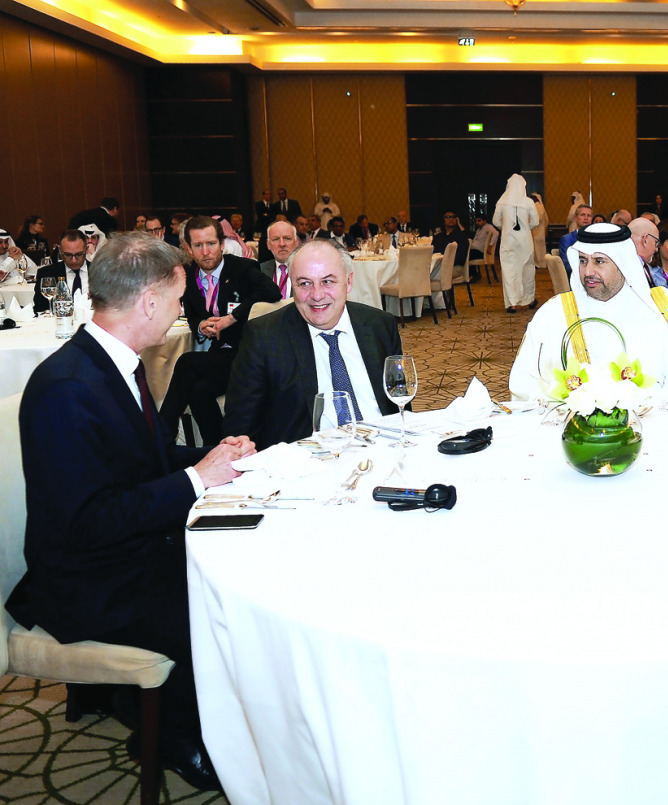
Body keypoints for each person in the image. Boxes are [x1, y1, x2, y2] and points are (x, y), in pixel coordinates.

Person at [8, 232, 256, 791]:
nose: (179, 310)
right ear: (147, 302)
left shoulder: (113, 362)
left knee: (236, 571)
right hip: (85, 579)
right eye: (175, 300)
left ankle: (173, 714)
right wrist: (197, 480)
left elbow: (142, 455)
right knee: (221, 606)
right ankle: (172, 734)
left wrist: (214, 459)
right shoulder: (67, 388)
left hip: (124, 553)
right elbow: (88, 522)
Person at [223, 240, 402, 449]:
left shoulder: (380, 325)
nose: (317, 295)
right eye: (305, 283)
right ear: (292, 285)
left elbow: (400, 401)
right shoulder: (264, 336)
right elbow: (240, 429)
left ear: (349, 281)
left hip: (384, 449)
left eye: (328, 281)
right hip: (311, 461)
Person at [508, 223, 668, 402]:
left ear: (623, 264)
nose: (587, 272)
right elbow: (523, 383)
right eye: (583, 261)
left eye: (599, 261)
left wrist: (642, 406)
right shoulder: (554, 313)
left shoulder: (660, 309)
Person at [159, 216, 281, 445]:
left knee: (186, 363)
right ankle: (215, 448)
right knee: (197, 390)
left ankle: (162, 432)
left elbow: (272, 293)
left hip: (247, 357)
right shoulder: (187, 275)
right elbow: (193, 314)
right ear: (188, 248)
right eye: (198, 245)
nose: (206, 251)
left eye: (211, 244)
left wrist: (232, 318)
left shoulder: (241, 269)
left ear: (222, 244)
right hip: (220, 356)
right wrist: (200, 325)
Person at [494, 174, 540, 313]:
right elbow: (536, 222)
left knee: (509, 270)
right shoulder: (529, 202)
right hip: (525, 241)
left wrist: (507, 229)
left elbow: (496, 222)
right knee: (527, 269)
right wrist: (525, 228)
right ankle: (530, 300)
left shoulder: (502, 201)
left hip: (508, 241)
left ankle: (512, 303)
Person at [32, 230, 88, 314]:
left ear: (86, 250)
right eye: (68, 255)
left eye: (79, 254)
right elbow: (40, 308)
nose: (74, 260)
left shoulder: (102, 272)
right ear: (60, 251)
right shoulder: (46, 273)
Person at [262, 220, 299, 299]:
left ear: (296, 243)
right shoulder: (260, 270)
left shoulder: (307, 270)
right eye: (276, 239)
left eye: (287, 238)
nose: (282, 244)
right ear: (268, 244)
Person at [531, 192, 549, 269]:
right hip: (535, 231)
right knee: (536, 248)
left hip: (538, 231)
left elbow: (539, 219)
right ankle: (537, 263)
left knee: (539, 249)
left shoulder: (539, 206)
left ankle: (540, 264)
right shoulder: (535, 206)